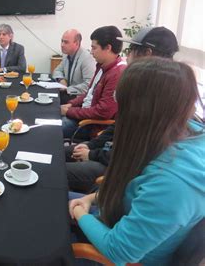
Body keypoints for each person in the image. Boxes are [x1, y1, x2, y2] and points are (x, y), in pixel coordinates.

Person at [69, 58, 204, 265]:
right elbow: (139, 187)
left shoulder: (173, 184)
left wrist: (79, 212)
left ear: (139, 110)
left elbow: (118, 251)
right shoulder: (185, 130)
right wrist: (92, 199)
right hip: (113, 217)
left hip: (118, 255)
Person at [66, 26, 180, 192]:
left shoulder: (157, 96)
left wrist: (92, 154)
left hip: (121, 170)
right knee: (57, 154)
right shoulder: (143, 84)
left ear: (147, 53)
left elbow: (133, 154)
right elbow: (119, 125)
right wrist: (91, 145)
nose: (128, 55)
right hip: (111, 153)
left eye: (132, 49)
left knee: (55, 171)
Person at [61, 25, 126, 139]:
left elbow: (102, 112)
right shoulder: (102, 66)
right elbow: (89, 93)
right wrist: (71, 104)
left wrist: (70, 111)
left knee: (51, 129)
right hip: (83, 114)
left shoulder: (117, 73)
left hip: (90, 124)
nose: (91, 52)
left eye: (94, 48)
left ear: (108, 48)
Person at [52, 29, 96, 104]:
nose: (62, 45)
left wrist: (67, 89)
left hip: (78, 98)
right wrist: (61, 79)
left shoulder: (87, 58)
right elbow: (57, 70)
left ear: (77, 43)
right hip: (67, 94)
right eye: (62, 41)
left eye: (66, 42)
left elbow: (89, 85)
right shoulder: (67, 54)